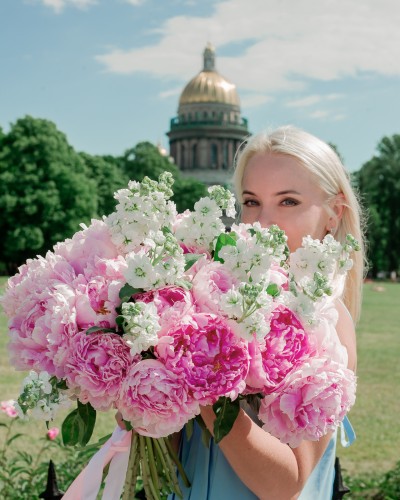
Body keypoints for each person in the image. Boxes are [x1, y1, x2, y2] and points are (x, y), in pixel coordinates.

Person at [117, 126, 365, 499]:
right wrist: (149, 396)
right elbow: (190, 455)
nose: (261, 223)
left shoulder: (325, 320)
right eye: (251, 202)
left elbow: (285, 484)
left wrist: (203, 377)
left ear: (334, 214)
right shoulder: (210, 299)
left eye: (288, 202)